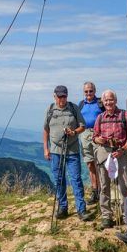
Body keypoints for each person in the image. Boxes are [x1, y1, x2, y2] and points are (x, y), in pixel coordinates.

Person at [43, 85, 94, 222]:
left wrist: (74, 132)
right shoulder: (50, 109)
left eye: (64, 96)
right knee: (59, 179)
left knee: (76, 179)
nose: (62, 99)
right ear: (55, 96)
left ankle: (81, 210)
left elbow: (82, 126)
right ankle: (63, 207)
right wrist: (46, 149)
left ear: (67, 96)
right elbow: (46, 130)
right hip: (55, 151)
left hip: (72, 150)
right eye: (59, 96)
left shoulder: (73, 108)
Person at [92, 89, 127, 229]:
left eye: (111, 99)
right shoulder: (100, 118)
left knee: (123, 185)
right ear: (102, 102)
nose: (108, 102)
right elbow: (95, 137)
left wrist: (122, 150)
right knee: (104, 185)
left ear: (115, 100)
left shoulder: (124, 115)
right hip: (104, 153)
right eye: (106, 100)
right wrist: (100, 140)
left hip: (120, 152)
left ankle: (126, 215)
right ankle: (106, 216)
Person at [78, 81, 103, 204]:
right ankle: (95, 191)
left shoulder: (100, 103)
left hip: (98, 134)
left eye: (91, 91)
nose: (88, 93)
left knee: (99, 163)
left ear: (95, 91)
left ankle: (102, 191)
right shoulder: (81, 104)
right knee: (89, 163)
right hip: (84, 134)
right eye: (86, 91)